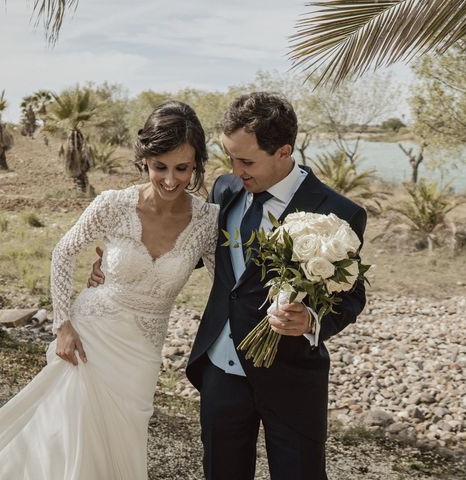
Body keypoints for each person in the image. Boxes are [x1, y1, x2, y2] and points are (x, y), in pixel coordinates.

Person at [0, 100, 219, 479]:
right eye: (160, 167)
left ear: (197, 164)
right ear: (144, 161)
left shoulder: (208, 220)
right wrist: (63, 325)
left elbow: (225, 286)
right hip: (90, 336)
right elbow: (63, 252)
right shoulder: (114, 204)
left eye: (182, 168)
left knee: (123, 437)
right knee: (67, 439)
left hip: (142, 352)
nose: (171, 180)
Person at [89, 92, 367, 479]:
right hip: (220, 369)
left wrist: (311, 320)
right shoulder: (225, 191)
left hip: (291, 377)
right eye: (230, 157)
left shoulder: (338, 212)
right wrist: (117, 264)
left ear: (284, 151)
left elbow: (353, 294)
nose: (235, 171)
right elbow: (190, 248)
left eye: (247, 161)